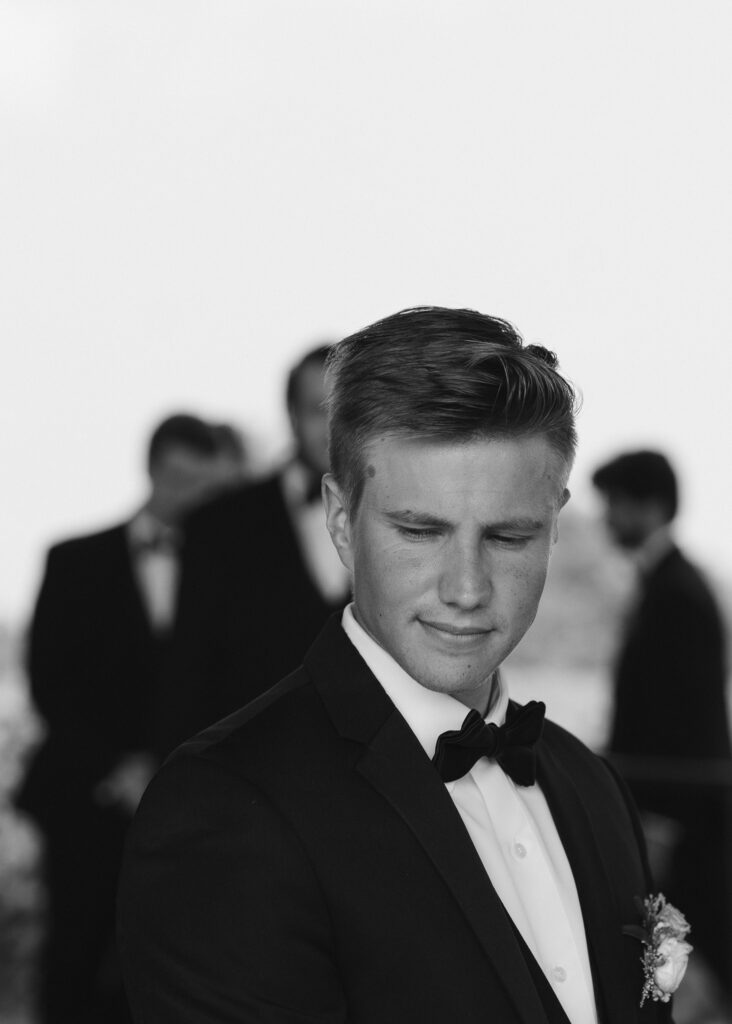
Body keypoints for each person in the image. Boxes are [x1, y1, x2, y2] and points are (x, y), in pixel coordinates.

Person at [119, 308, 674, 1024]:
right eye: (420, 531)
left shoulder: (594, 790)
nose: (466, 589)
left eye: (509, 536)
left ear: (556, 523)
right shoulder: (222, 810)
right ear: (342, 520)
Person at [16, 413, 240, 1024]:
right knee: (75, 952)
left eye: (206, 484)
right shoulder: (73, 559)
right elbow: (49, 683)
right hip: (87, 796)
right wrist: (118, 769)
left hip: (187, 798)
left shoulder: (230, 573)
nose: (192, 496)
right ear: (153, 470)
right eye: (181, 478)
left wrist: (167, 771)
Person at [160, 343, 351, 753]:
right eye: (318, 409)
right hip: (252, 769)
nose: (333, 426)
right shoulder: (217, 525)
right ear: (292, 416)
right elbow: (188, 672)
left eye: (348, 408)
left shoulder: (406, 514)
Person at [592, 449, 731, 996]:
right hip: (670, 808)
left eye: (615, 505)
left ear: (649, 506)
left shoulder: (678, 593)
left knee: (697, 945)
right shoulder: (667, 584)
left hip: (679, 814)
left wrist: (663, 820)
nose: (606, 519)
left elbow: (691, 715)